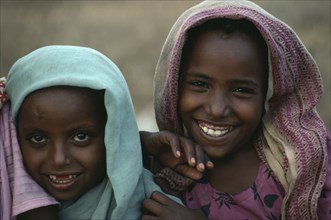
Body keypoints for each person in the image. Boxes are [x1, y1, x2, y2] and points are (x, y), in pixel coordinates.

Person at [140, 0, 330, 219]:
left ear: (270, 96)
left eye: (241, 90)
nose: (217, 109)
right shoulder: (156, 166)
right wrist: (140, 146)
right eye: (200, 84)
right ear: (174, 87)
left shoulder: (310, 167)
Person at [0, 45, 190, 219]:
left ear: (115, 135)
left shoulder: (159, 210)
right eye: (38, 138)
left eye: (80, 137)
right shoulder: (6, 203)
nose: (59, 159)